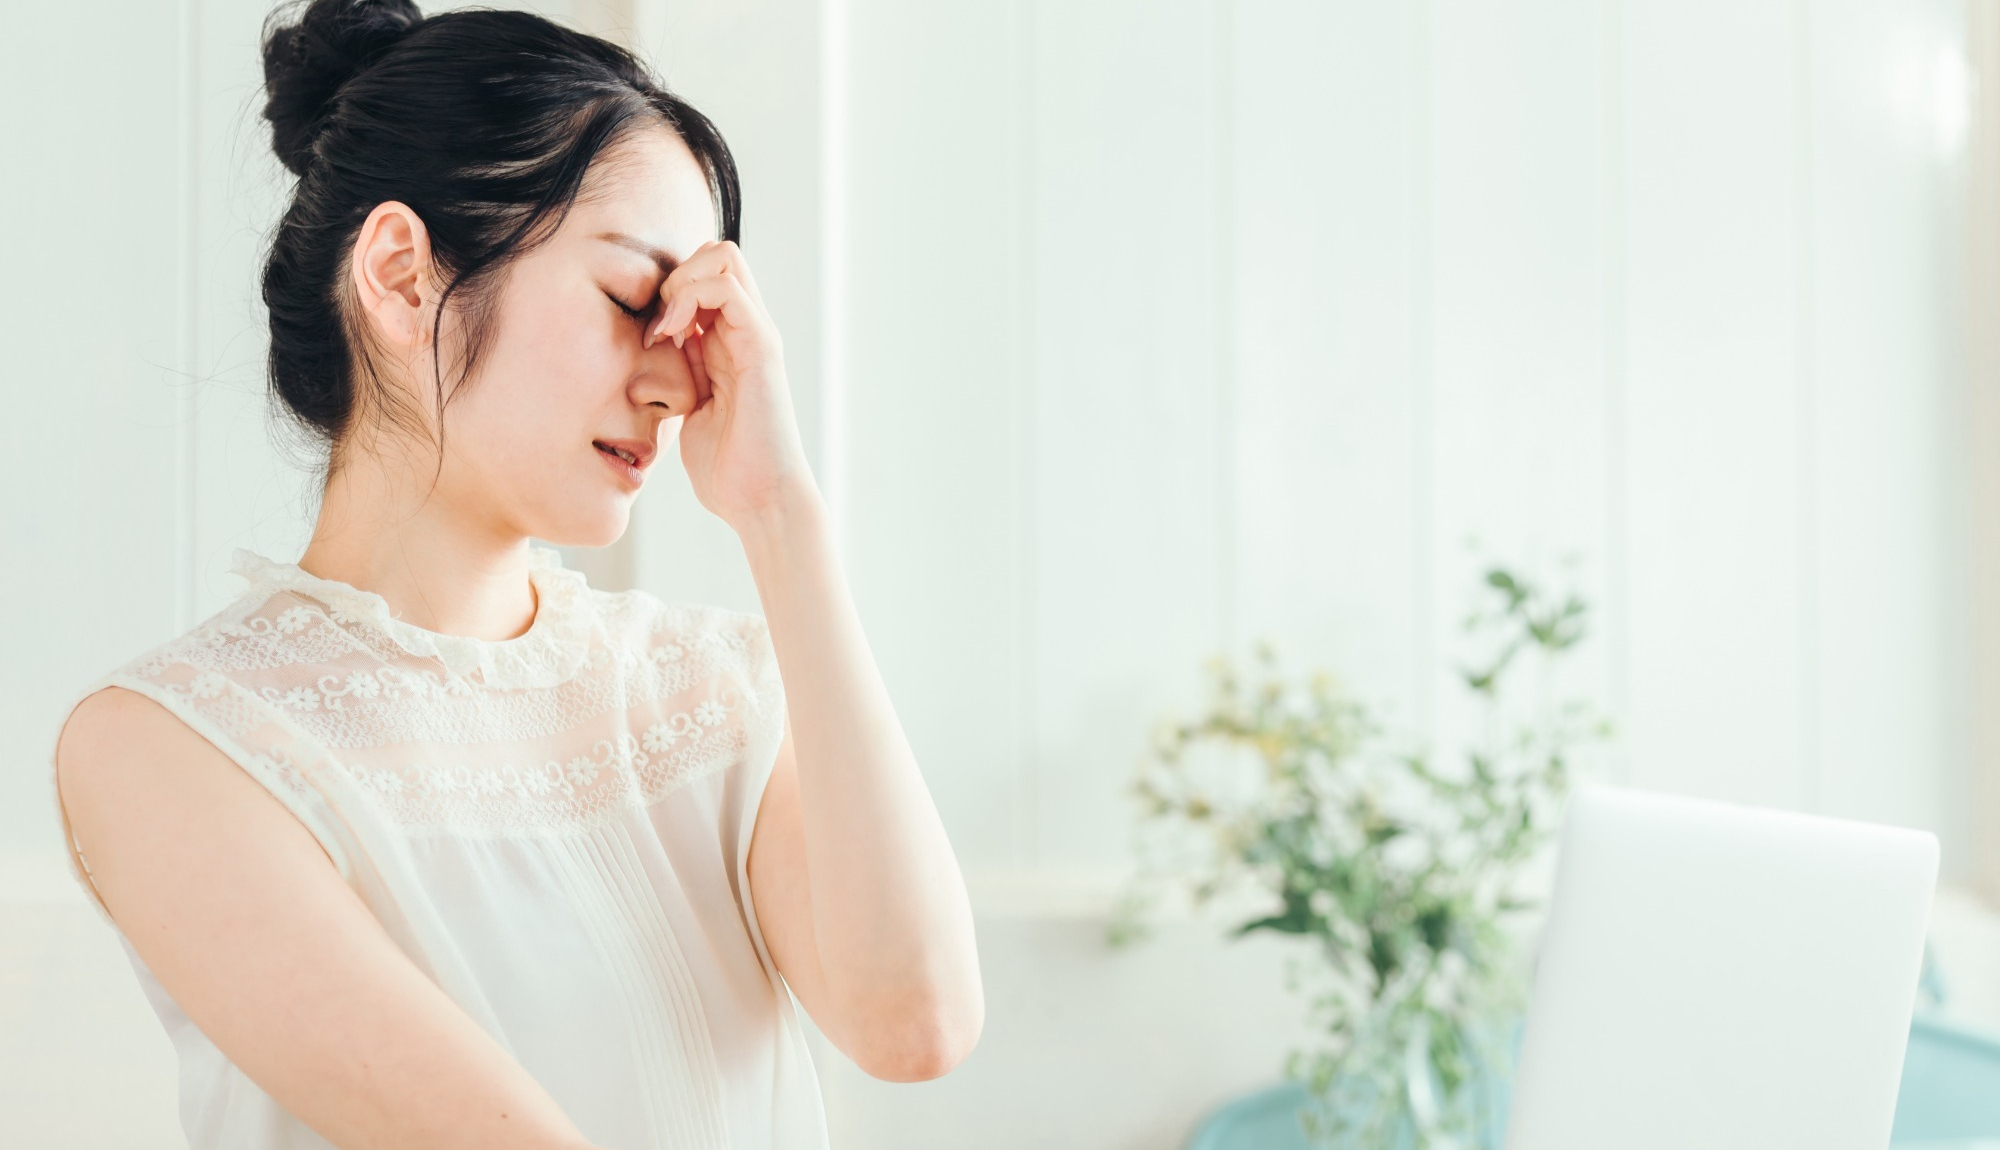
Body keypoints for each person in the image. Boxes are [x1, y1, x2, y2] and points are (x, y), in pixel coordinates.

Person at [47, 2, 983, 1147]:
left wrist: (781, 516)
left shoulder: (710, 688)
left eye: (691, 324)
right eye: (634, 301)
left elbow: (915, 1024)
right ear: (398, 275)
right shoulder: (173, 746)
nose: (679, 383)